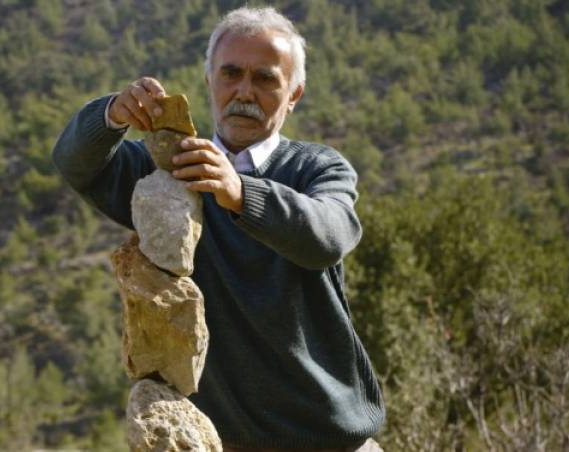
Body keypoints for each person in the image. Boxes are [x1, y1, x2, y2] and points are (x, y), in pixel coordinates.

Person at [52, 6, 385, 451]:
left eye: (265, 78)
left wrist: (240, 192)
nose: (244, 91)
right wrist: (111, 115)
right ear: (209, 80)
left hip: (328, 441)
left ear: (294, 94)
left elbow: (329, 236)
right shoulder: (168, 169)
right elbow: (74, 162)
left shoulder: (317, 168)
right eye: (231, 73)